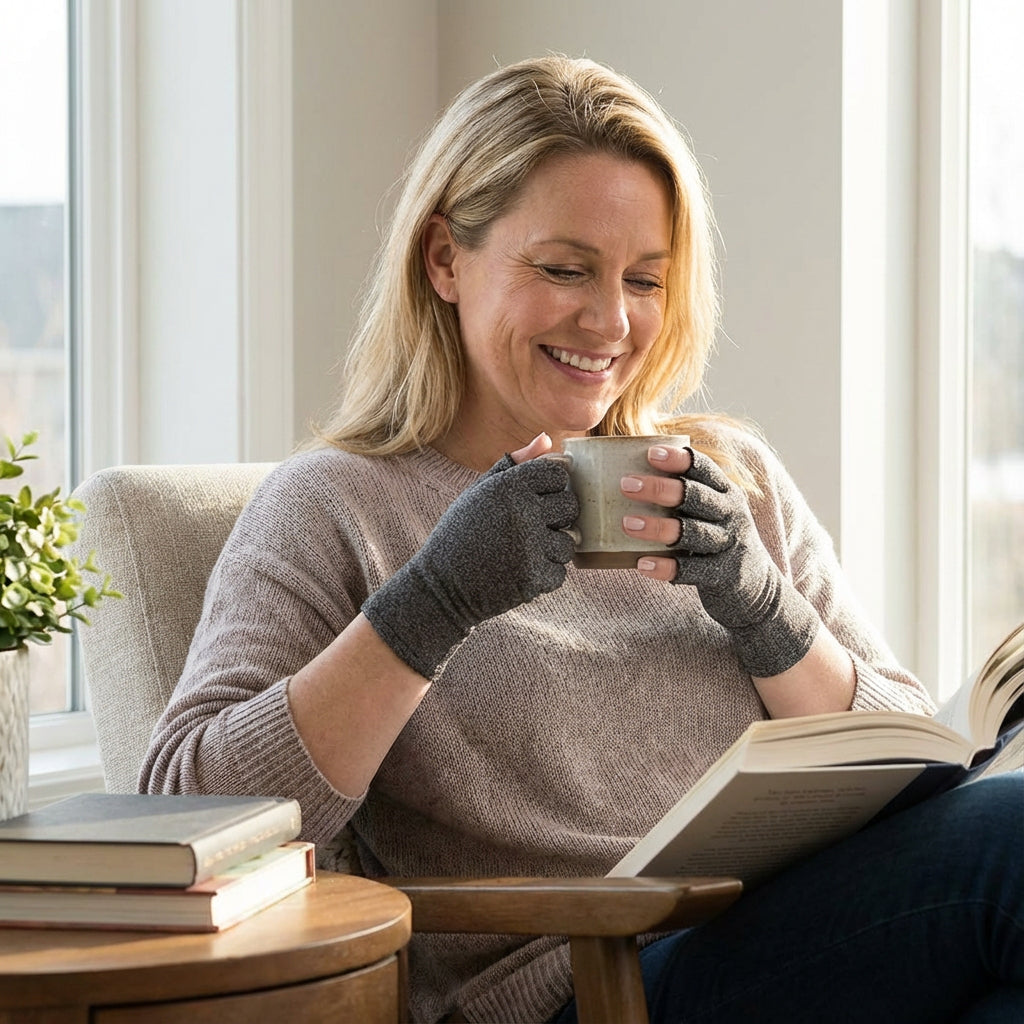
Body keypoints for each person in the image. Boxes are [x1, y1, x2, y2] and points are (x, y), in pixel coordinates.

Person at [140, 55, 1023, 1023]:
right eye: (564, 269)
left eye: (644, 279)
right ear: (443, 259)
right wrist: (431, 604)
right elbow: (185, 812)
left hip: (801, 942)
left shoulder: (728, 479)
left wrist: (762, 607)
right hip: (588, 991)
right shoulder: (335, 504)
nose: (610, 320)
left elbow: (914, 750)